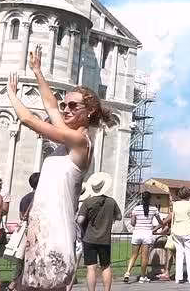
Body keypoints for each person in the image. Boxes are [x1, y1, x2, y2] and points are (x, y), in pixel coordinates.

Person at [8, 44, 113, 290]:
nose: (66, 109)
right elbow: (51, 106)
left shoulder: (80, 142)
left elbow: (28, 119)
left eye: (74, 106)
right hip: (41, 231)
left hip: (55, 235)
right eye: (66, 105)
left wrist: (12, 94)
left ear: (90, 112)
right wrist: (38, 72)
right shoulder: (68, 135)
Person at [77, 173, 122, 291]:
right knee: (106, 267)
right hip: (105, 239)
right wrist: (110, 219)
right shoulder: (111, 202)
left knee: (91, 268)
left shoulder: (87, 202)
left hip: (89, 239)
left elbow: (80, 220)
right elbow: (119, 217)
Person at [8, 172, 40, 291]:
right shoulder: (43, 197)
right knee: (35, 258)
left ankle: (14, 283)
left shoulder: (25, 198)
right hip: (37, 231)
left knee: (21, 258)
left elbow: (21, 216)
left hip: (26, 230)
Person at [124, 191, 165, 283]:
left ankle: (127, 273)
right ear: (150, 198)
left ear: (141, 198)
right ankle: (142, 276)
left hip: (137, 233)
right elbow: (160, 223)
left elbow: (133, 223)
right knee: (144, 257)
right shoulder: (154, 209)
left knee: (134, 255)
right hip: (147, 234)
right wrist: (155, 229)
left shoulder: (136, 209)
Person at [169, 186, 190, 284]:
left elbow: (173, 217)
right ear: (188, 195)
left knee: (179, 255)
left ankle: (178, 278)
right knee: (189, 255)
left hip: (176, 230)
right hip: (188, 230)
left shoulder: (175, 204)